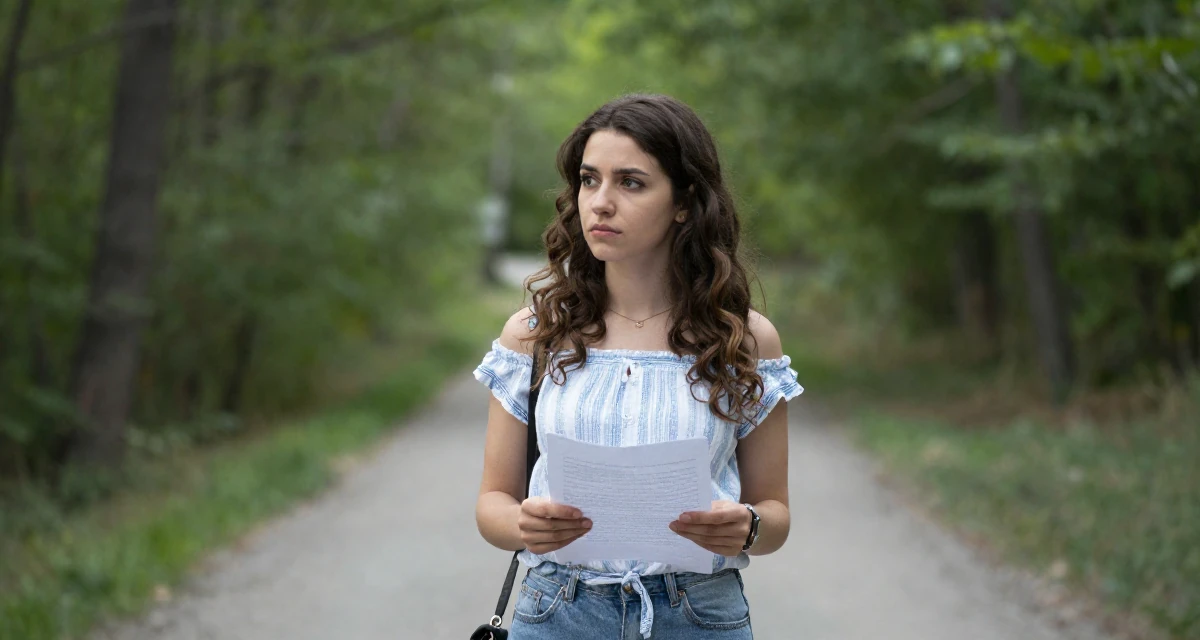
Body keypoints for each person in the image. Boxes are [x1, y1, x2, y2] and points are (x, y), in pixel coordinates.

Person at [473, 93, 803, 640]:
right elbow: (492, 504)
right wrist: (522, 524)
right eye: (588, 179)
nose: (600, 202)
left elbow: (776, 517)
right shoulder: (535, 334)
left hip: (700, 616)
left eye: (630, 182)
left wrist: (747, 528)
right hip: (558, 610)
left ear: (684, 201)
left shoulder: (744, 340)